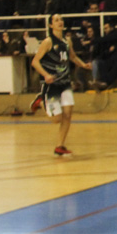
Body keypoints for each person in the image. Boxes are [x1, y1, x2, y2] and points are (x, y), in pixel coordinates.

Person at [31, 14, 92, 156]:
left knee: (68, 114)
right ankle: (40, 101)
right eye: (56, 20)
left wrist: (83, 65)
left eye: (61, 20)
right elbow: (35, 61)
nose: (60, 22)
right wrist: (45, 75)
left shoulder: (67, 41)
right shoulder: (47, 42)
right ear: (51, 25)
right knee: (56, 119)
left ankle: (60, 145)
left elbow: (72, 57)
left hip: (64, 83)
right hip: (52, 85)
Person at [90, 20, 117, 90]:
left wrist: (91, 41)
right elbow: (105, 52)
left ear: (111, 28)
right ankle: (102, 82)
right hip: (113, 58)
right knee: (102, 63)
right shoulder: (108, 39)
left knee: (116, 66)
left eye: (106, 28)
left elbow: (107, 39)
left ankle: (106, 83)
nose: (105, 30)